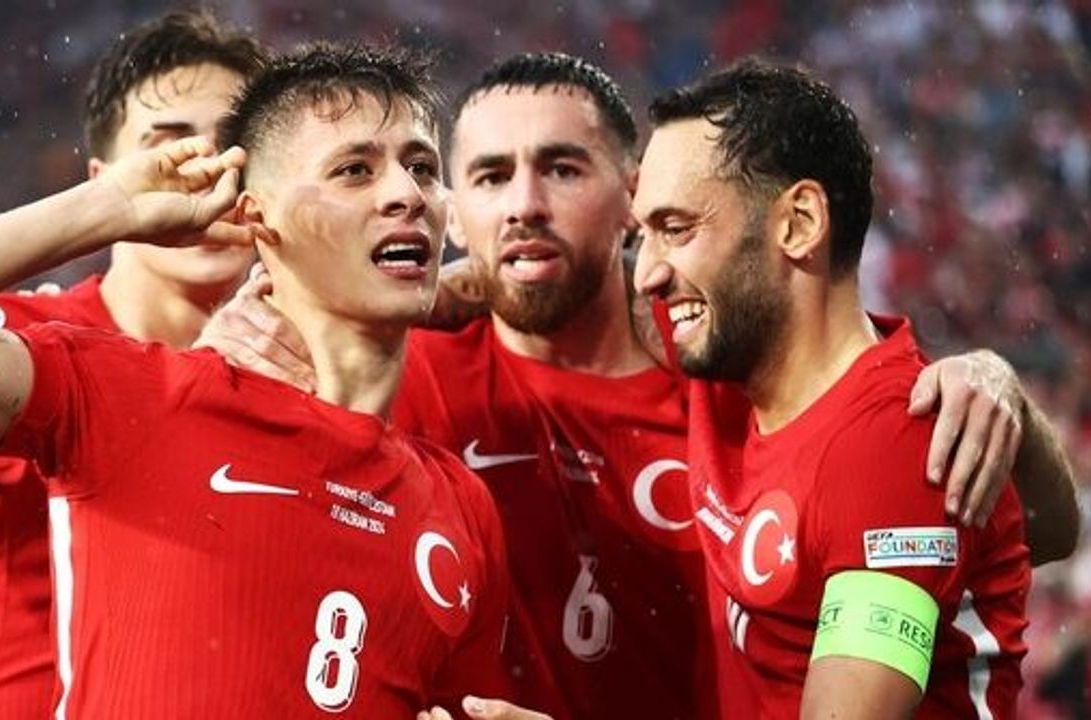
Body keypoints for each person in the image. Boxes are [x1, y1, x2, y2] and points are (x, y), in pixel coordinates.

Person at [201, 52, 1079, 720]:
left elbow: (1021, 526)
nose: (525, 205)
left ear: (627, 198)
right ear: (456, 210)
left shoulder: (723, 372)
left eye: (562, 169)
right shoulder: (399, 371)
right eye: (491, 177)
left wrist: (996, 388)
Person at [0, 42, 511, 719]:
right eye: (354, 170)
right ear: (256, 212)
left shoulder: (460, 505)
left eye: (423, 168)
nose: (406, 193)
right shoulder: (127, 392)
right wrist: (107, 210)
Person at [632, 58, 1071, 717]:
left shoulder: (889, 453)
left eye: (676, 229)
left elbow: (1048, 535)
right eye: (641, 233)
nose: (646, 273)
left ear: (799, 222)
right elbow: (1047, 532)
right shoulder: (726, 356)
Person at [0, 11, 268, 719]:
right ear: (108, 182)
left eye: (236, 145)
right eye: (169, 147)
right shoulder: (23, 338)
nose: (206, 171)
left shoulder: (292, 380)